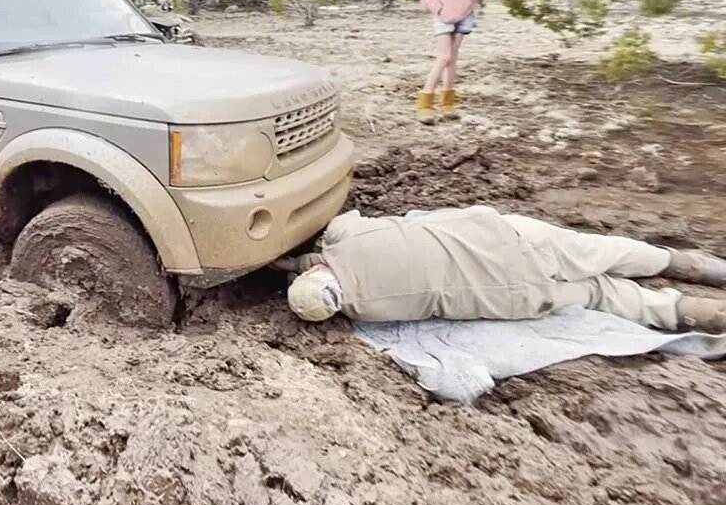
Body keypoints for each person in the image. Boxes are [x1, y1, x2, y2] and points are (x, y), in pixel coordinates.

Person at [279, 205, 726, 332]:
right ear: (314, 274)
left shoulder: (363, 312)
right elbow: (341, 224)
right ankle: (688, 264)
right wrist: (287, 258)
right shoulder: (348, 239)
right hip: (508, 241)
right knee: (603, 253)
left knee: (600, 295)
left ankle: (684, 312)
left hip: (516, 298)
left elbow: (348, 282)